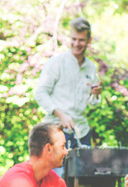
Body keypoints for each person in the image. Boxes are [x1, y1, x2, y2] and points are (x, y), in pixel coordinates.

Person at [34, 17, 102, 177]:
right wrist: (61, 115)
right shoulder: (56, 63)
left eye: (81, 40)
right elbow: (40, 93)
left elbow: (92, 105)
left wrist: (96, 95)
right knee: (51, 181)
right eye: (73, 39)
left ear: (89, 40)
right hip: (55, 131)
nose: (77, 44)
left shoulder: (91, 68)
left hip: (81, 132)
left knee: (83, 183)